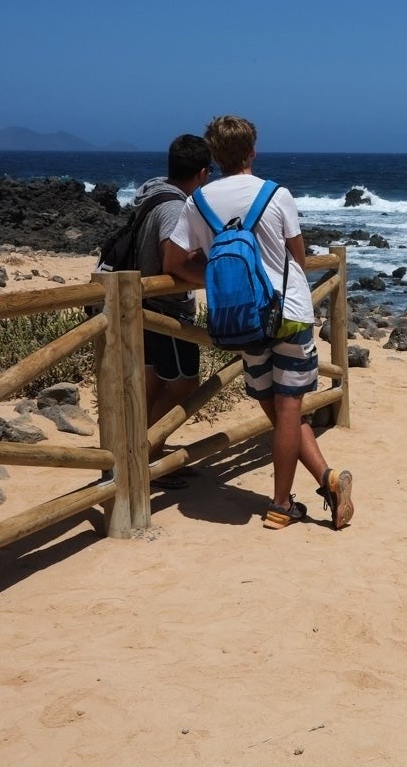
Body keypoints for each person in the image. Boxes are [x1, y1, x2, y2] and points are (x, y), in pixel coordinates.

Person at [164, 115, 355, 531]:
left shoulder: (198, 202)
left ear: (213, 156)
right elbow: (298, 260)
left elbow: (173, 262)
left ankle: (329, 481)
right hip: (286, 314)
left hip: (240, 317)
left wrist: (213, 277)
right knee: (289, 410)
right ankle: (281, 504)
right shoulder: (276, 194)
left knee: (277, 410)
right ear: (252, 151)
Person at [132, 134, 211, 490]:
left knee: (152, 384)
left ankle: (144, 454)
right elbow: (171, 260)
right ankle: (151, 455)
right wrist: (213, 277)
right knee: (185, 383)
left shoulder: (152, 193)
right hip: (165, 311)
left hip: (144, 308)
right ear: (203, 172)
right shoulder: (175, 206)